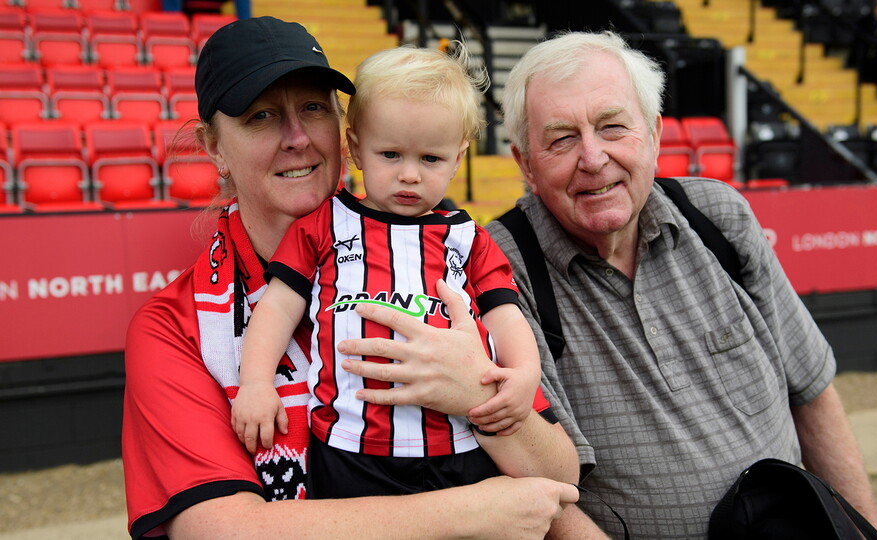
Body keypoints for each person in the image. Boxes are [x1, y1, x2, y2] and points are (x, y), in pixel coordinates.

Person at [121, 16, 578, 539]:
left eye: (313, 108)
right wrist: (472, 511)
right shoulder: (174, 326)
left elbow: (557, 480)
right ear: (214, 146)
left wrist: (473, 391)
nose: (296, 138)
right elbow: (218, 531)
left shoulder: (441, 255)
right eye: (261, 116)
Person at [487, 30, 877, 537]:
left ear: (654, 135)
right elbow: (545, 494)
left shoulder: (718, 217)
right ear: (525, 163)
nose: (592, 158)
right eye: (562, 138)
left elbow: (812, 394)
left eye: (613, 127)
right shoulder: (498, 266)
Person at [229, 44, 547, 498]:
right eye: (391, 155)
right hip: (349, 447)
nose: (410, 175)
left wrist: (525, 373)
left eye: (430, 159)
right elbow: (277, 307)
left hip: (457, 446)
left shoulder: (467, 237)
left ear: (458, 159)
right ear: (356, 148)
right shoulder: (324, 225)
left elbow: (504, 314)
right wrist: (257, 383)